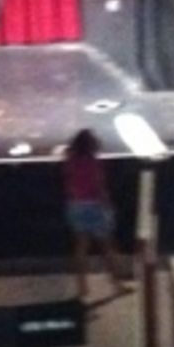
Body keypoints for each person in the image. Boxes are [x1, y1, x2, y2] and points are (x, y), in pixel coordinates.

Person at [62, 128, 126, 302]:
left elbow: (69, 182)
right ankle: (117, 284)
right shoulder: (92, 162)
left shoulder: (70, 160)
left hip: (75, 205)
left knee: (81, 247)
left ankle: (82, 287)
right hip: (94, 206)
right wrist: (108, 206)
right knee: (107, 247)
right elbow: (99, 185)